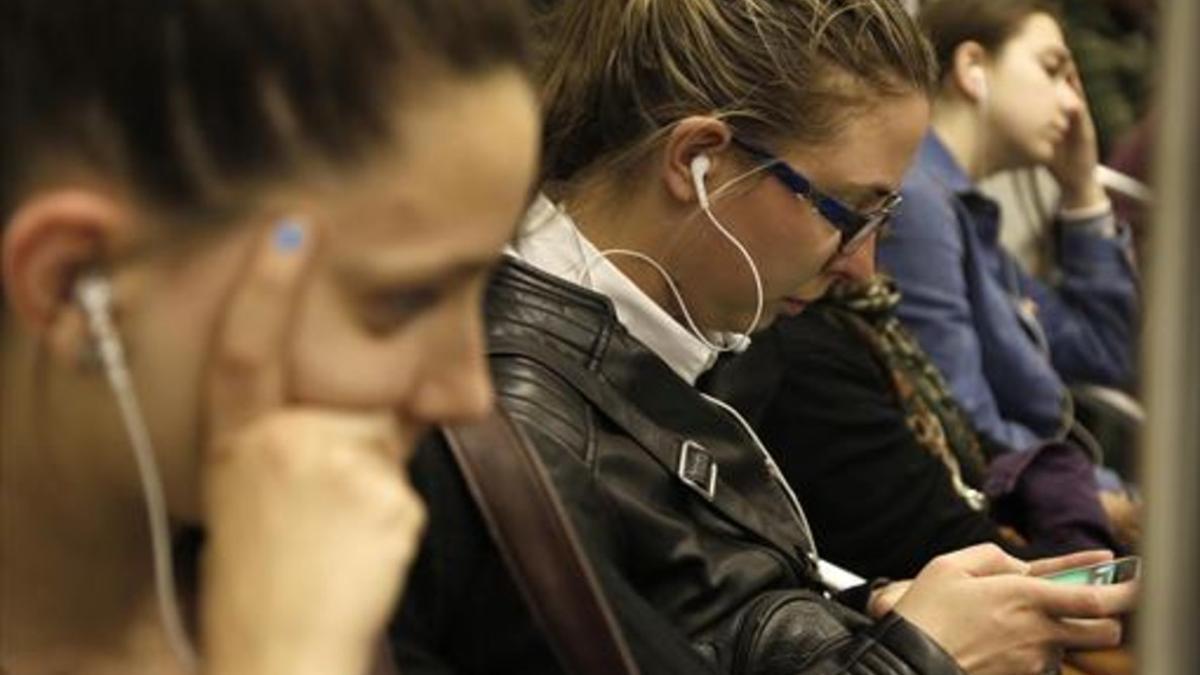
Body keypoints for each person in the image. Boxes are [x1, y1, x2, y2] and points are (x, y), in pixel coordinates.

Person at [392, 2, 1134, 674]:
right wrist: (918, 657)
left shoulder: (666, 345)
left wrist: (863, 614)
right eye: (846, 210)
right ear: (697, 164)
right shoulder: (528, 431)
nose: (862, 265)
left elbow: (701, 618)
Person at [0, 1, 539, 673]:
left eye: (483, 286)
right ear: (72, 282)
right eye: (401, 301)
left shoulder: (353, 588)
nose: (468, 395)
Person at [704, 270, 1128, 581]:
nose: (864, 266)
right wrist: (1072, 495)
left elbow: (972, 448)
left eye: (881, 221)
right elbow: (969, 554)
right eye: (845, 210)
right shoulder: (806, 354)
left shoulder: (869, 318)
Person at [877, 0, 1141, 470]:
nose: (1073, 103)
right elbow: (963, 421)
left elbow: (1104, 353)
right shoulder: (921, 204)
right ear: (973, 67)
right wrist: (1094, 491)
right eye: (1052, 70)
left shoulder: (963, 213)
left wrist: (1083, 193)